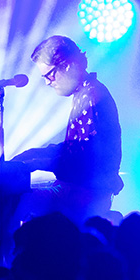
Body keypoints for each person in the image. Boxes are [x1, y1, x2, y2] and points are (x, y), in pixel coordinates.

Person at [10, 35, 123, 225]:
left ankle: (15, 252)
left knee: (15, 200)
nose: (47, 82)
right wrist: (34, 154)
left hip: (86, 194)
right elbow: (75, 147)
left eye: (50, 75)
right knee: (16, 196)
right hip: (83, 189)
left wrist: (33, 164)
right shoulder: (86, 92)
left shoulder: (91, 96)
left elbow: (84, 159)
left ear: (68, 66)